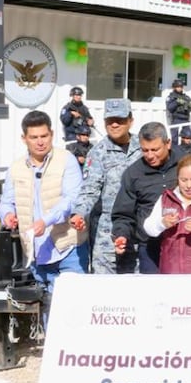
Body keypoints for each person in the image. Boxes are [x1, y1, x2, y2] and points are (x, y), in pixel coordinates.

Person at [0, 111, 88, 316]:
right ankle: (51, 347)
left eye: (44, 136)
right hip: (36, 250)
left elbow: (71, 199)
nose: (40, 142)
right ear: (24, 138)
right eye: (34, 137)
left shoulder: (67, 160)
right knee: (47, 305)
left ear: (52, 134)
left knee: (72, 307)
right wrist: (7, 215)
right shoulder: (15, 168)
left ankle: (73, 348)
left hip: (68, 247)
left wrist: (45, 221)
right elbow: (5, 202)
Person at [70, 99, 141, 274]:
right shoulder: (98, 153)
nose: (114, 124)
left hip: (139, 227)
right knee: (104, 290)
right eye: (110, 120)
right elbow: (90, 189)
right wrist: (79, 213)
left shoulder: (144, 147)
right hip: (107, 232)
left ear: (130, 121)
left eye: (120, 119)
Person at [111, 122, 185, 274]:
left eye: (155, 149)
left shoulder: (186, 163)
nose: (150, 155)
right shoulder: (133, 174)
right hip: (150, 247)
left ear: (168, 143)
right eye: (145, 150)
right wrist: (121, 235)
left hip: (185, 242)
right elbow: (123, 214)